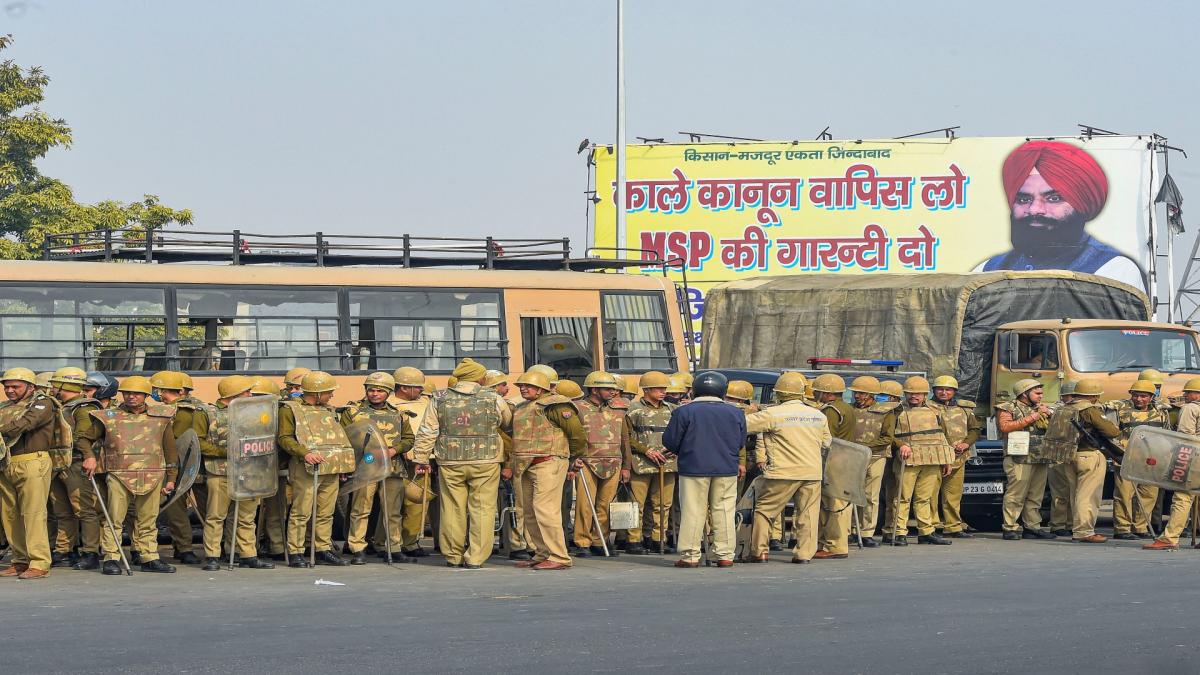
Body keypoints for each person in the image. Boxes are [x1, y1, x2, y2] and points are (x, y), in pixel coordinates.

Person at [973, 140, 1144, 291]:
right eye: (1024, 199)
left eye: (1053, 198)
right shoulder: (986, 272)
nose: (1034, 209)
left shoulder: (1112, 271)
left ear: (1081, 204)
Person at [412, 358, 511, 569]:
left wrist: (421, 458)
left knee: (451, 508)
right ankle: (476, 557)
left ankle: (453, 556)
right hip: (486, 460)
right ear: (480, 378)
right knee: (483, 509)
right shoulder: (493, 397)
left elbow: (427, 430)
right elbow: (508, 424)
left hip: (450, 461)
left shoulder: (439, 398)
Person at [79, 375, 179, 574]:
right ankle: (111, 558)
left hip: (153, 474)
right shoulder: (108, 416)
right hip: (119, 474)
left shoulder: (162, 417)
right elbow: (83, 439)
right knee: (114, 518)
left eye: (136, 393)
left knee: (148, 520)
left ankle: (149, 557)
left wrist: (171, 478)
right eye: (127, 393)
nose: (131, 396)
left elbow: (170, 449)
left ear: (146, 395)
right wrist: (89, 457)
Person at [743, 371, 831, 563]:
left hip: (782, 472)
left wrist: (749, 410)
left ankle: (759, 551)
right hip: (811, 472)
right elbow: (827, 443)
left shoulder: (772, 414)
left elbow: (742, 425)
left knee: (765, 511)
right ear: (802, 393)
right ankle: (804, 554)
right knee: (808, 515)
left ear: (778, 393)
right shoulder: (818, 416)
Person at [662, 371, 744, 568]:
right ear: (722, 390)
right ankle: (725, 555)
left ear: (695, 390)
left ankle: (690, 555)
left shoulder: (684, 412)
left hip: (693, 467)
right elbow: (740, 442)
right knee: (724, 511)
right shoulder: (736, 412)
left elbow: (670, 441)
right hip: (726, 467)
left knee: (693, 511)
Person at [509, 369, 586, 570]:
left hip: (549, 461)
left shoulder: (556, 405)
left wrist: (574, 457)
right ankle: (542, 553)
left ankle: (559, 556)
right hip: (526, 464)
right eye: (521, 386)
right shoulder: (522, 407)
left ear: (541, 388)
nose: (523, 388)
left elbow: (577, 434)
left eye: (528, 386)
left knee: (545, 509)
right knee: (529, 512)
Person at [338, 372, 415, 565]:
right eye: (371, 390)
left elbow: (408, 439)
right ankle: (357, 547)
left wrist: (393, 450)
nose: (375, 394)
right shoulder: (352, 412)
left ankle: (394, 547)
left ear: (388, 392)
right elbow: (344, 438)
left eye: (380, 391)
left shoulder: (399, 414)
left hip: (393, 466)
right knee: (360, 508)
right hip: (366, 466)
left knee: (393, 510)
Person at [278, 371, 353, 567]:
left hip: (330, 467)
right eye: (329, 392)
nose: (332, 395)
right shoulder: (290, 409)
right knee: (301, 511)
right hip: (305, 467)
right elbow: (284, 438)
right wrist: (305, 454)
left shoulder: (329, 410)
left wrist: (342, 464)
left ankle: (322, 549)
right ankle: (295, 551)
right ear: (317, 392)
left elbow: (338, 439)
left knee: (326, 512)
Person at [199, 375, 274, 571]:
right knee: (216, 516)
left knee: (247, 517)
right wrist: (226, 452)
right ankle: (212, 556)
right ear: (233, 394)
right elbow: (197, 442)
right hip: (220, 472)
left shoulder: (253, 413)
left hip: (249, 472)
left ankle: (248, 554)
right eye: (246, 392)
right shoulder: (207, 413)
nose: (250, 395)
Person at [1042, 378, 1121, 543]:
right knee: (1088, 496)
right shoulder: (1089, 410)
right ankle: (1084, 531)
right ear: (1093, 396)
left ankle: (1075, 527)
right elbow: (1112, 431)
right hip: (1088, 455)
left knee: (1075, 495)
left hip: (1067, 456)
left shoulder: (1062, 409)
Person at [151, 370, 216, 566]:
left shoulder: (171, 411)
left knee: (176, 509)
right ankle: (215, 549)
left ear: (180, 391)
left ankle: (185, 548)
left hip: (178, 466)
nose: (159, 394)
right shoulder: (205, 408)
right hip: (201, 465)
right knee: (208, 509)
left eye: (162, 391)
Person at [0, 367, 60, 578]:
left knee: (34, 513)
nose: (10, 390)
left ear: (31, 387)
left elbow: (24, 424)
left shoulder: (43, 403)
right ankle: (19, 560)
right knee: (10, 515)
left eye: (15, 386)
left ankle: (39, 563)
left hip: (33, 461)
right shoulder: (5, 407)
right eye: (7, 387)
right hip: (7, 462)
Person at [880, 376, 954, 546]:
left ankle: (926, 532)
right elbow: (888, 435)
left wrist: (947, 460)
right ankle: (899, 532)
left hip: (932, 459)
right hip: (908, 459)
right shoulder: (896, 411)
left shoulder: (935, 411)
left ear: (925, 394)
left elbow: (942, 435)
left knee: (925, 498)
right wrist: (901, 445)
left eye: (918, 393)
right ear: (905, 394)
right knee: (902, 498)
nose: (914, 396)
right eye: (910, 393)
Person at [46, 367, 102, 570]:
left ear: (64, 385)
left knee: (84, 510)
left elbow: (83, 437)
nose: (52, 388)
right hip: (58, 464)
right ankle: (64, 550)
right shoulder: (61, 406)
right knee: (62, 511)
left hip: (76, 464)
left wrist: (88, 457)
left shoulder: (84, 407)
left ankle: (90, 552)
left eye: (55, 385)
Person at [570, 371, 631, 558]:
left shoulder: (619, 409)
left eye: (613, 389)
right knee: (584, 505)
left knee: (605, 505)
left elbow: (625, 439)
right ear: (594, 390)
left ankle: (600, 541)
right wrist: (573, 459)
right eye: (607, 389)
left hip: (614, 461)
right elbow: (571, 436)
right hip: (586, 462)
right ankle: (582, 542)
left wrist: (626, 466)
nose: (612, 392)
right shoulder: (578, 408)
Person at [1103, 381, 1169, 540]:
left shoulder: (1161, 411)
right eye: (1135, 395)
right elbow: (1110, 434)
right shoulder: (1119, 409)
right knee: (1124, 495)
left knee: (1149, 495)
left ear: (1151, 397)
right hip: (1127, 458)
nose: (1139, 399)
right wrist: (1117, 454)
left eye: (1143, 396)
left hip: (1152, 460)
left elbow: (1167, 434)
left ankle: (1140, 527)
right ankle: (1122, 529)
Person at [624, 371, 678, 554]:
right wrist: (646, 450)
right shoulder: (632, 409)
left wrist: (675, 448)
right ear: (646, 389)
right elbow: (626, 437)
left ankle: (658, 539)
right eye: (659, 388)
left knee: (663, 504)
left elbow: (680, 433)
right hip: (641, 463)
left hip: (667, 464)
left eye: (664, 388)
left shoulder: (672, 409)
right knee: (637, 504)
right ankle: (634, 540)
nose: (663, 392)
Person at [996, 379, 1057, 540]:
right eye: (1037, 393)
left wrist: (1050, 414)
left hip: (1040, 456)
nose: (1040, 396)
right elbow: (1005, 427)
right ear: (1024, 393)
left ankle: (1032, 527)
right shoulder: (1008, 407)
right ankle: (1010, 527)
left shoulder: (1041, 408)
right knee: (1015, 494)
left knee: (1036, 495)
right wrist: (1032, 418)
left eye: (1041, 393)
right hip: (1018, 458)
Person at [1144, 377, 1200, 550]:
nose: (1186, 395)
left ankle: (1170, 538)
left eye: (1188, 392)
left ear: (1197, 394)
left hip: (1194, 456)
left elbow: (1185, 436)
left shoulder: (1190, 408)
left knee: (1183, 497)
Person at [387, 366, 434, 560]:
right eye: (417, 387)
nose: (421, 390)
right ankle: (388, 543)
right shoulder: (388, 404)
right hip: (395, 460)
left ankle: (411, 542)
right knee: (391, 504)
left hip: (422, 461)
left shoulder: (427, 403)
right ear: (404, 388)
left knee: (417, 501)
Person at [928, 376, 981, 538]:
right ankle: (931, 527)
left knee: (953, 494)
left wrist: (966, 444)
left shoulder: (964, 409)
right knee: (930, 494)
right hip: (934, 457)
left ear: (954, 391)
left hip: (958, 458)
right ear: (934, 390)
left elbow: (975, 429)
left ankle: (953, 526)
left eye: (948, 390)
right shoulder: (926, 407)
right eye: (940, 389)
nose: (944, 392)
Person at [811, 374, 857, 560]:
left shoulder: (830, 411)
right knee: (838, 504)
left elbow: (826, 438)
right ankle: (831, 543)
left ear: (827, 393)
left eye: (818, 391)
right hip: (845, 459)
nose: (815, 394)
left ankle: (835, 546)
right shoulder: (847, 407)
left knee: (834, 506)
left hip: (833, 460)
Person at [848, 376, 892, 547]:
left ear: (871, 394)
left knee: (870, 496)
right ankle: (850, 530)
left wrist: (865, 447)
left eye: (862, 393)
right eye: (856, 393)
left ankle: (866, 532)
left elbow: (887, 437)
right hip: (851, 457)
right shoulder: (849, 409)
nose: (857, 396)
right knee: (849, 494)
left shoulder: (885, 411)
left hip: (876, 457)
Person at [1046, 379, 1079, 536]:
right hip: (1057, 456)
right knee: (1060, 493)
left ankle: (1071, 524)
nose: (1074, 399)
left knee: (1074, 492)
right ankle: (1058, 525)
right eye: (1072, 396)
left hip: (1072, 455)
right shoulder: (1056, 409)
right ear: (1064, 396)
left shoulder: (1080, 409)